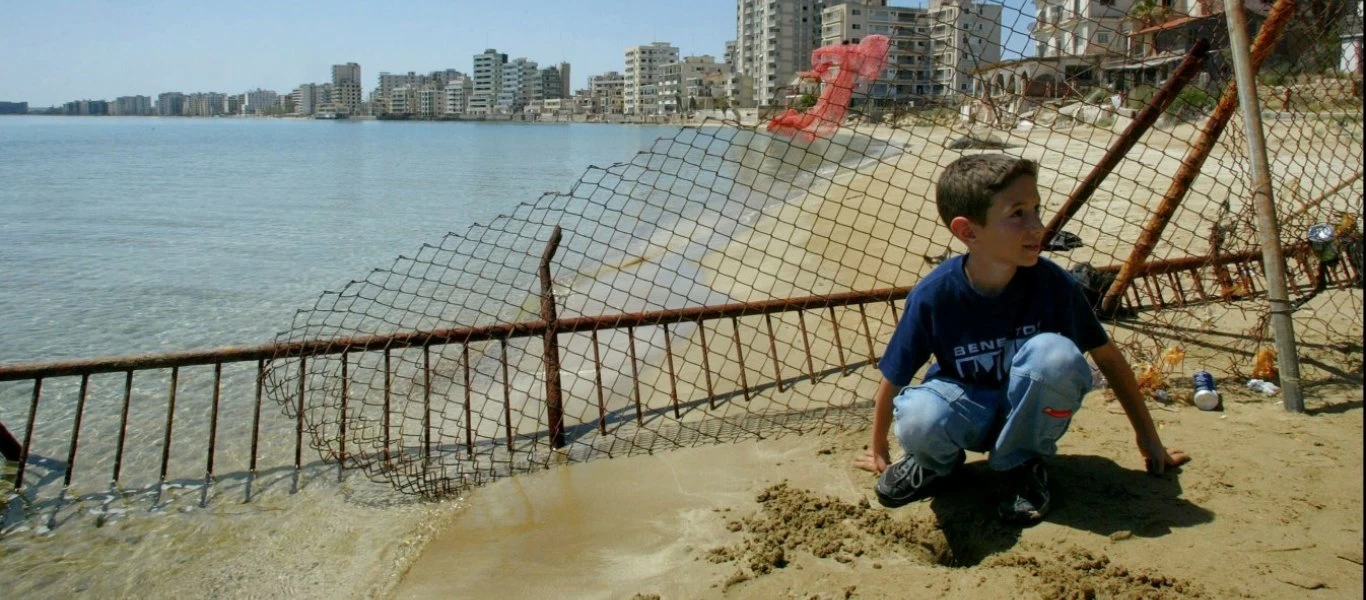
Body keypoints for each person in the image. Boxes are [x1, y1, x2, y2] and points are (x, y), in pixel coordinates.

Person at [855, 154, 1190, 525]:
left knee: (1058, 356)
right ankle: (935, 466)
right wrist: (880, 447)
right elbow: (894, 377)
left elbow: (1107, 357)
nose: (1038, 226)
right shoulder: (936, 295)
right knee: (918, 416)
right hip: (967, 410)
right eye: (1017, 214)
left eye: (1036, 209)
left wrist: (1148, 437)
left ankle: (1019, 466)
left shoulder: (1052, 284)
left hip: (1028, 414)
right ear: (968, 232)